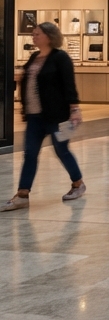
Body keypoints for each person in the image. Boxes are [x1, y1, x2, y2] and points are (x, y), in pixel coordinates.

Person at [3, 22, 85, 211]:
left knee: (62, 150)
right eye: (33, 34)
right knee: (30, 154)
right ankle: (23, 194)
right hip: (34, 117)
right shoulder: (34, 57)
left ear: (49, 36)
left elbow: (69, 84)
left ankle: (78, 183)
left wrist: (75, 109)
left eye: (37, 34)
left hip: (57, 116)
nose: (33, 36)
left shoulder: (61, 58)